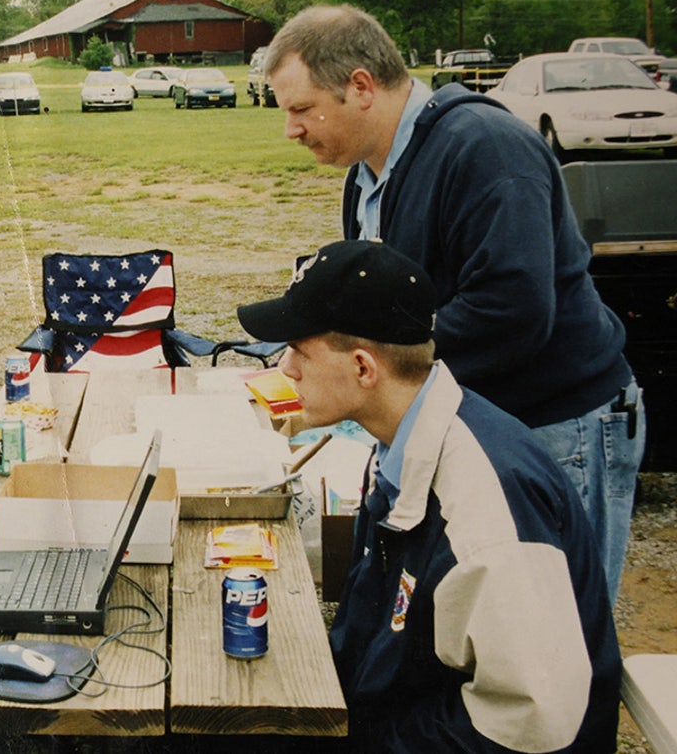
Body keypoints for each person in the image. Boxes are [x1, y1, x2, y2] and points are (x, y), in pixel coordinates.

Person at [264, 4, 645, 604]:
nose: (291, 129)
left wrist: (371, 376)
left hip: (555, 421)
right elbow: (379, 306)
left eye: (301, 109)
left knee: (553, 627)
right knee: (481, 609)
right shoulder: (367, 173)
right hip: (474, 418)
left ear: (360, 86)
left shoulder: (486, 149)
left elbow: (511, 311)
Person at [237, 239, 620, 752]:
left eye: (300, 353)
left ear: (363, 368)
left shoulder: (482, 505)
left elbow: (534, 721)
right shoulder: (410, 432)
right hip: (401, 719)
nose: (286, 370)